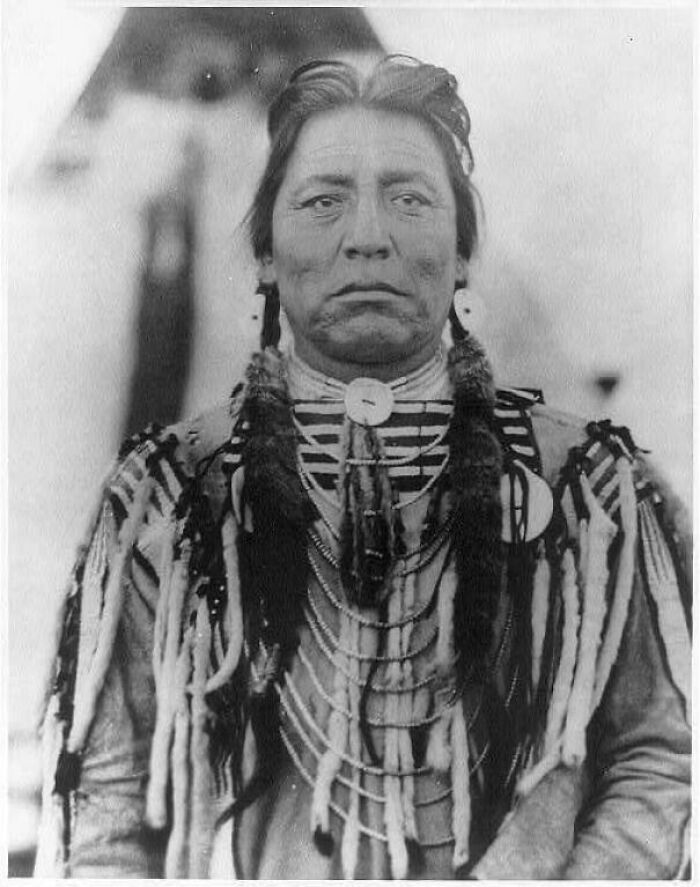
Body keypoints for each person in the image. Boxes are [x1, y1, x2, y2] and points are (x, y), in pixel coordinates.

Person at [35, 56, 691, 880]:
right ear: (268, 256)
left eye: (410, 198)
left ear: (460, 255)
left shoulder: (586, 493)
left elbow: (655, 763)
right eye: (322, 200)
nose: (368, 235)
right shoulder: (166, 503)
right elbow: (103, 812)